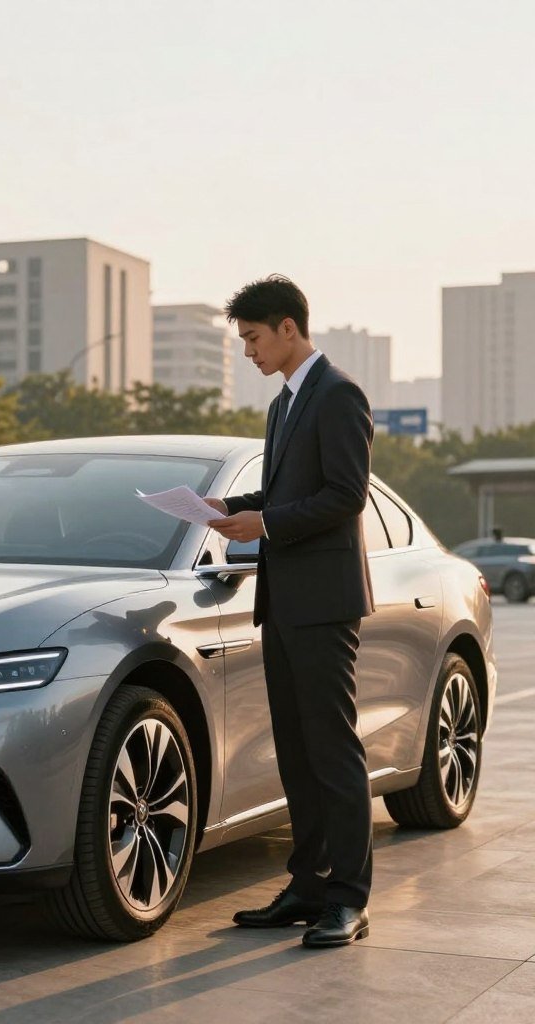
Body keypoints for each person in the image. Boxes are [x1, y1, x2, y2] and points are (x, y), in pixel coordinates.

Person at [204, 275, 375, 948]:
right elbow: (284, 492)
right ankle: (308, 887)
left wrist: (266, 524)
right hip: (282, 602)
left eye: (252, 339)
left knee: (334, 751)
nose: (248, 352)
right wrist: (229, 507)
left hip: (325, 603)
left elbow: (346, 495)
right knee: (298, 754)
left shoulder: (338, 394)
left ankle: (349, 900)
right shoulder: (284, 405)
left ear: (287, 327)